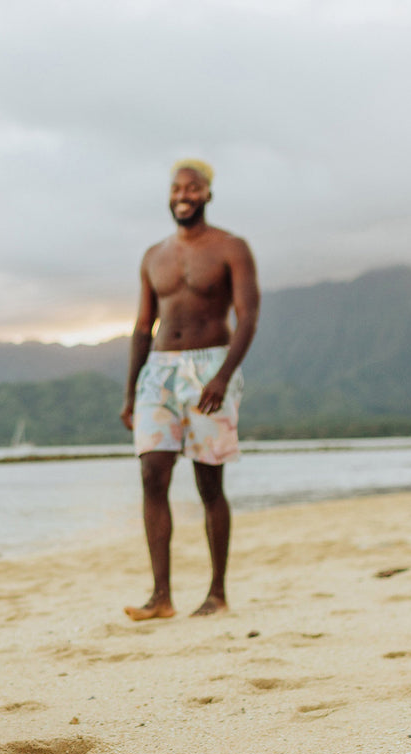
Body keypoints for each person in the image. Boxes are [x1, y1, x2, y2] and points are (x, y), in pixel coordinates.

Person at [119, 159, 259, 620]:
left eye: (193, 188)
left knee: (208, 481)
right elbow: (143, 326)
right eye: (177, 187)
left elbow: (248, 317)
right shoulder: (153, 255)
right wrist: (130, 391)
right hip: (158, 371)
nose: (184, 194)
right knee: (151, 476)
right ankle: (161, 597)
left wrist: (222, 377)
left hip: (210, 366)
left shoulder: (230, 247)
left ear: (207, 194)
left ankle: (217, 593)